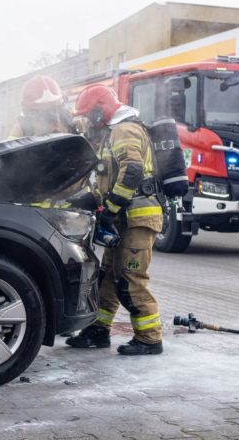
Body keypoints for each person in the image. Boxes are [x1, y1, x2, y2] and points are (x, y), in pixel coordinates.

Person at [66, 84, 164, 355]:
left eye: (88, 116)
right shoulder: (113, 133)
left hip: (137, 220)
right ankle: (98, 331)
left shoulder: (124, 129)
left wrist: (109, 209)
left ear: (100, 109)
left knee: (130, 279)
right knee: (107, 278)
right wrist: (90, 200)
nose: (88, 123)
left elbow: (131, 172)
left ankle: (149, 339)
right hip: (125, 218)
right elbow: (110, 177)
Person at [8, 75, 76, 138]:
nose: (51, 114)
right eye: (45, 110)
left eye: (54, 108)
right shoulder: (22, 130)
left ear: (60, 106)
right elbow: (10, 148)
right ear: (31, 111)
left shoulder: (71, 121)